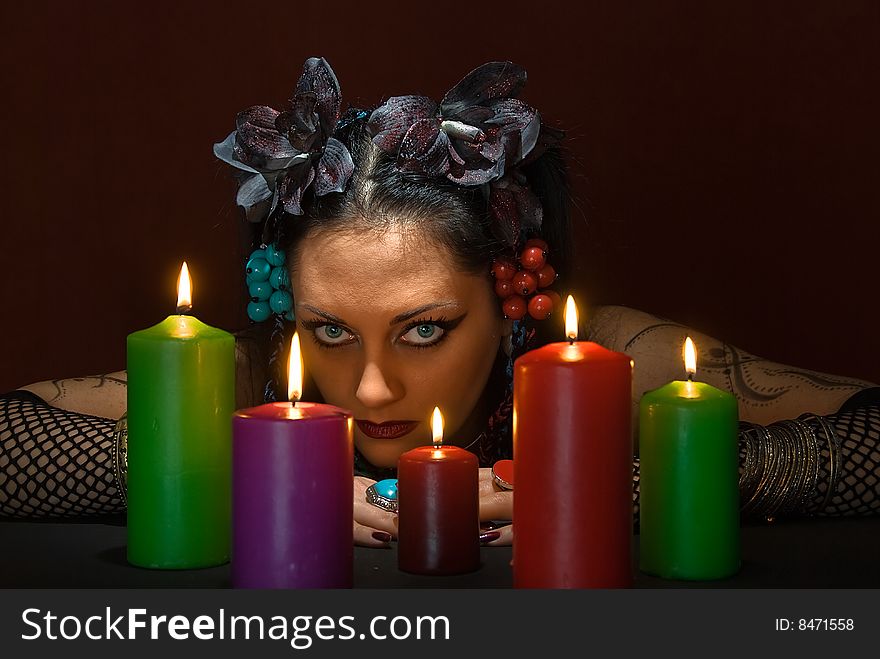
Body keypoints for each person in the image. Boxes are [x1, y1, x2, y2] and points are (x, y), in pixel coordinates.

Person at [2, 58, 878, 549]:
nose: (372, 388)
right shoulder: (239, 378)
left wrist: (616, 487)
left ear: (509, 301)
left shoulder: (611, 363)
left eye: (424, 328)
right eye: (331, 330)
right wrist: (247, 480)